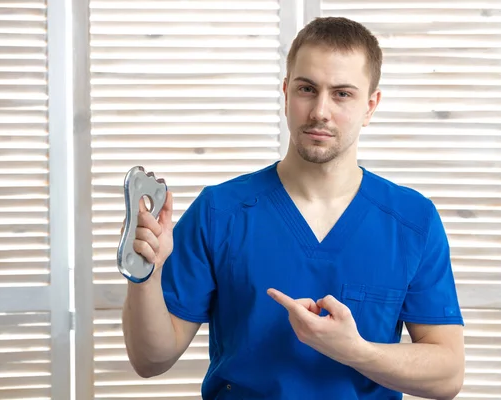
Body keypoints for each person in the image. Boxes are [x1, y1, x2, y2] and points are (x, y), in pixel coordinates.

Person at [122, 16, 465, 400]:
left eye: (342, 94)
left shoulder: (412, 221)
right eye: (307, 89)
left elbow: (447, 375)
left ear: (370, 106)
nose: (320, 111)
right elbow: (150, 360)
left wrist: (355, 351)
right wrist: (146, 275)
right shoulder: (219, 212)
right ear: (286, 93)